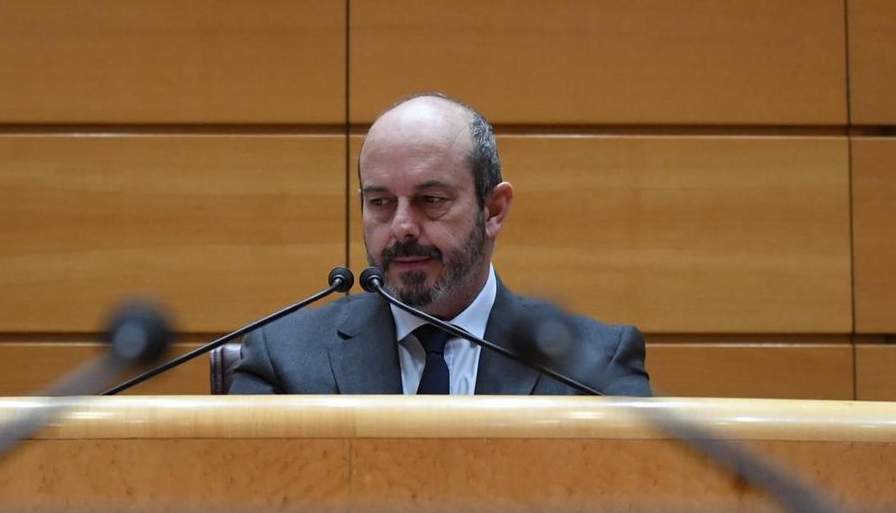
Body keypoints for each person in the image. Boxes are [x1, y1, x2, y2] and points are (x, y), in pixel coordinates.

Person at [228, 94, 651, 396]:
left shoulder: (592, 364)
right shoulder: (285, 358)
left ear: (494, 210)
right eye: (381, 203)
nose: (402, 227)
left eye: (431, 201)